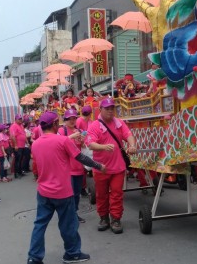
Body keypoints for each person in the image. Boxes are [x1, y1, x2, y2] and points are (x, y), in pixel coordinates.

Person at [27, 111, 105, 264]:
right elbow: (81, 157)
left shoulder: (35, 144)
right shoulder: (62, 141)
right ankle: (72, 253)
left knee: (39, 225)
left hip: (43, 192)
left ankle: (34, 258)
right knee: (68, 224)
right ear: (55, 124)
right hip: (62, 192)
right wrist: (99, 166)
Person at [87, 97, 138, 234]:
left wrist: (132, 145)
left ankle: (116, 218)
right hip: (101, 168)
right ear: (100, 109)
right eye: (107, 109)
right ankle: (103, 218)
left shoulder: (119, 123)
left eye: (112, 108)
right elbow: (91, 144)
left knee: (117, 194)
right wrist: (103, 147)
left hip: (118, 167)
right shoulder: (94, 126)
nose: (110, 111)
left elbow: (129, 135)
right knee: (101, 195)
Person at [58, 108, 86, 223]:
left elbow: (82, 147)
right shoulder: (62, 130)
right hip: (67, 169)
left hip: (78, 167)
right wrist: (71, 137)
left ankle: (74, 213)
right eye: (70, 118)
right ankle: (69, 215)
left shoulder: (79, 130)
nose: (72, 121)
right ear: (65, 119)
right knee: (68, 194)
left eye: (74, 118)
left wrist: (83, 140)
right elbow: (59, 144)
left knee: (76, 193)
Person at [10, 114, 27, 179]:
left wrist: (27, 142)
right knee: (17, 160)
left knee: (21, 159)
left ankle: (20, 172)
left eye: (21, 119)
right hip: (18, 146)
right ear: (16, 119)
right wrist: (15, 145)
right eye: (19, 119)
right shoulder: (13, 126)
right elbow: (13, 136)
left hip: (22, 145)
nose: (20, 120)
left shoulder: (21, 125)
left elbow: (23, 134)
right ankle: (16, 173)